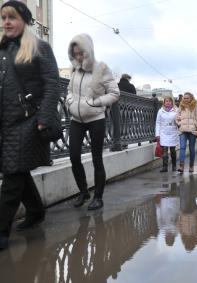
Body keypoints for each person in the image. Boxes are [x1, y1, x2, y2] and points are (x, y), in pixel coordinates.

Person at [0, 0, 60, 251]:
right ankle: (36, 211)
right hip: (3, 124)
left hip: (28, 122)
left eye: (12, 17)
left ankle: (0, 234)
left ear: (24, 21)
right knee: (17, 170)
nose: (6, 22)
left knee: (12, 176)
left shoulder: (39, 48)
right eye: (3, 17)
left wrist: (44, 118)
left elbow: (51, 84)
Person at [66, 33, 120, 210]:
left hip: (96, 118)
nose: (79, 57)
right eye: (75, 54)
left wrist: (96, 103)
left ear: (89, 51)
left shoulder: (101, 68)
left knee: (97, 158)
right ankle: (83, 191)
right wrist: (70, 101)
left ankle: (98, 197)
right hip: (76, 119)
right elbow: (69, 90)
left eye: (82, 53)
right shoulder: (74, 69)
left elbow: (114, 93)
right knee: (74, 156)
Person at [176, 92, 197, 173]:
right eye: (184, 98)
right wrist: (180, 124)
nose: (186, 100)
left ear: (191, 98)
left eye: (187, 98)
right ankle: (181, 166)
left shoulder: (195, 106)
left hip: (192, 130)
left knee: (191, 148)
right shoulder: (181, 106)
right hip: (183, 130)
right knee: (182, 147)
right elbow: (176, 118)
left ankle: (191, 166)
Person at [155, 96, 179, 172]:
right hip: (164, 133)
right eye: (166, 101)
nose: (168, 102)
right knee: (164, 151)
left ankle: (174, 166)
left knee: (172, 150)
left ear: (172, 102)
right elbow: (158, 123)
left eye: (169, 101)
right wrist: (157, 134)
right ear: (164, 103)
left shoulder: (176, 110)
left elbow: (179, 121)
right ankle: (164, 167)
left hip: (172, 132)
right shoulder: (160, 111)